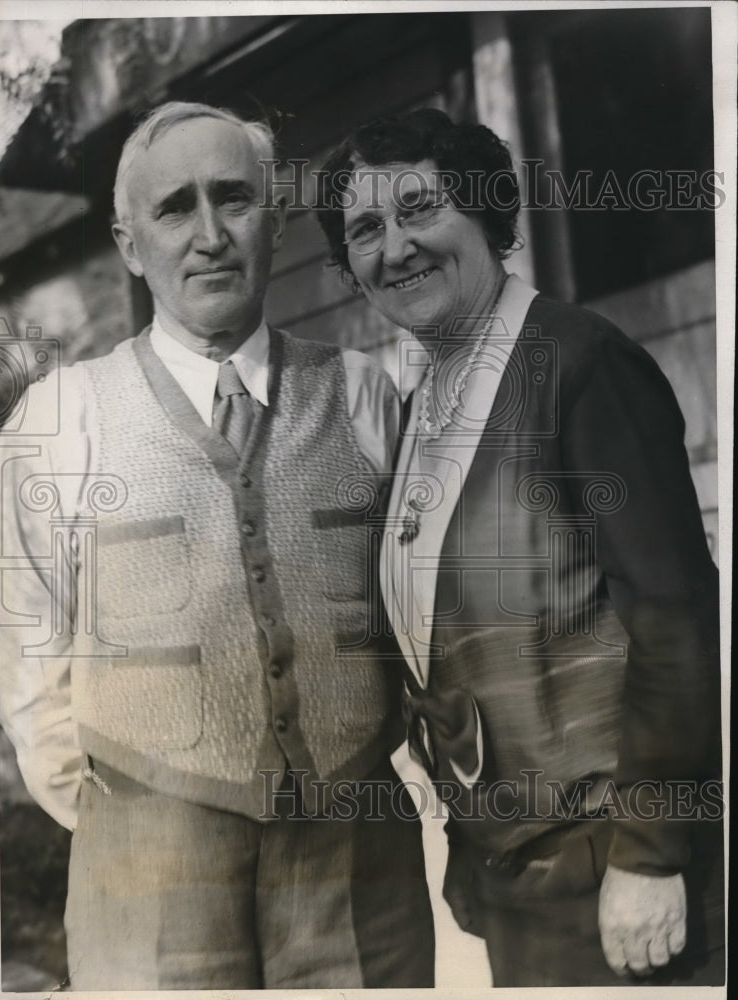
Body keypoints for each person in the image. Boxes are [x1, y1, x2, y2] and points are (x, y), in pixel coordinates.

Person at [0, 101, 435, 990]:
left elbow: (425, 620)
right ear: (129, 244)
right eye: (174, 209)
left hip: (358, 868)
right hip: (147, 875)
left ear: (272, 221)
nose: (209, 236)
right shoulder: (62, 413)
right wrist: (124, 816)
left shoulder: (365, 396)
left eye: (234, 200)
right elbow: (21, 646)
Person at [316, 107, 724, 987]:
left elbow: (677, 618)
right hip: (522, 876)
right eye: (365, 230)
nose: (396, 249)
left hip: (620, 868)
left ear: (488, 213)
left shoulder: (579, 364)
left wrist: (650, 855)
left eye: (421, 209)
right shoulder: (427, 401)